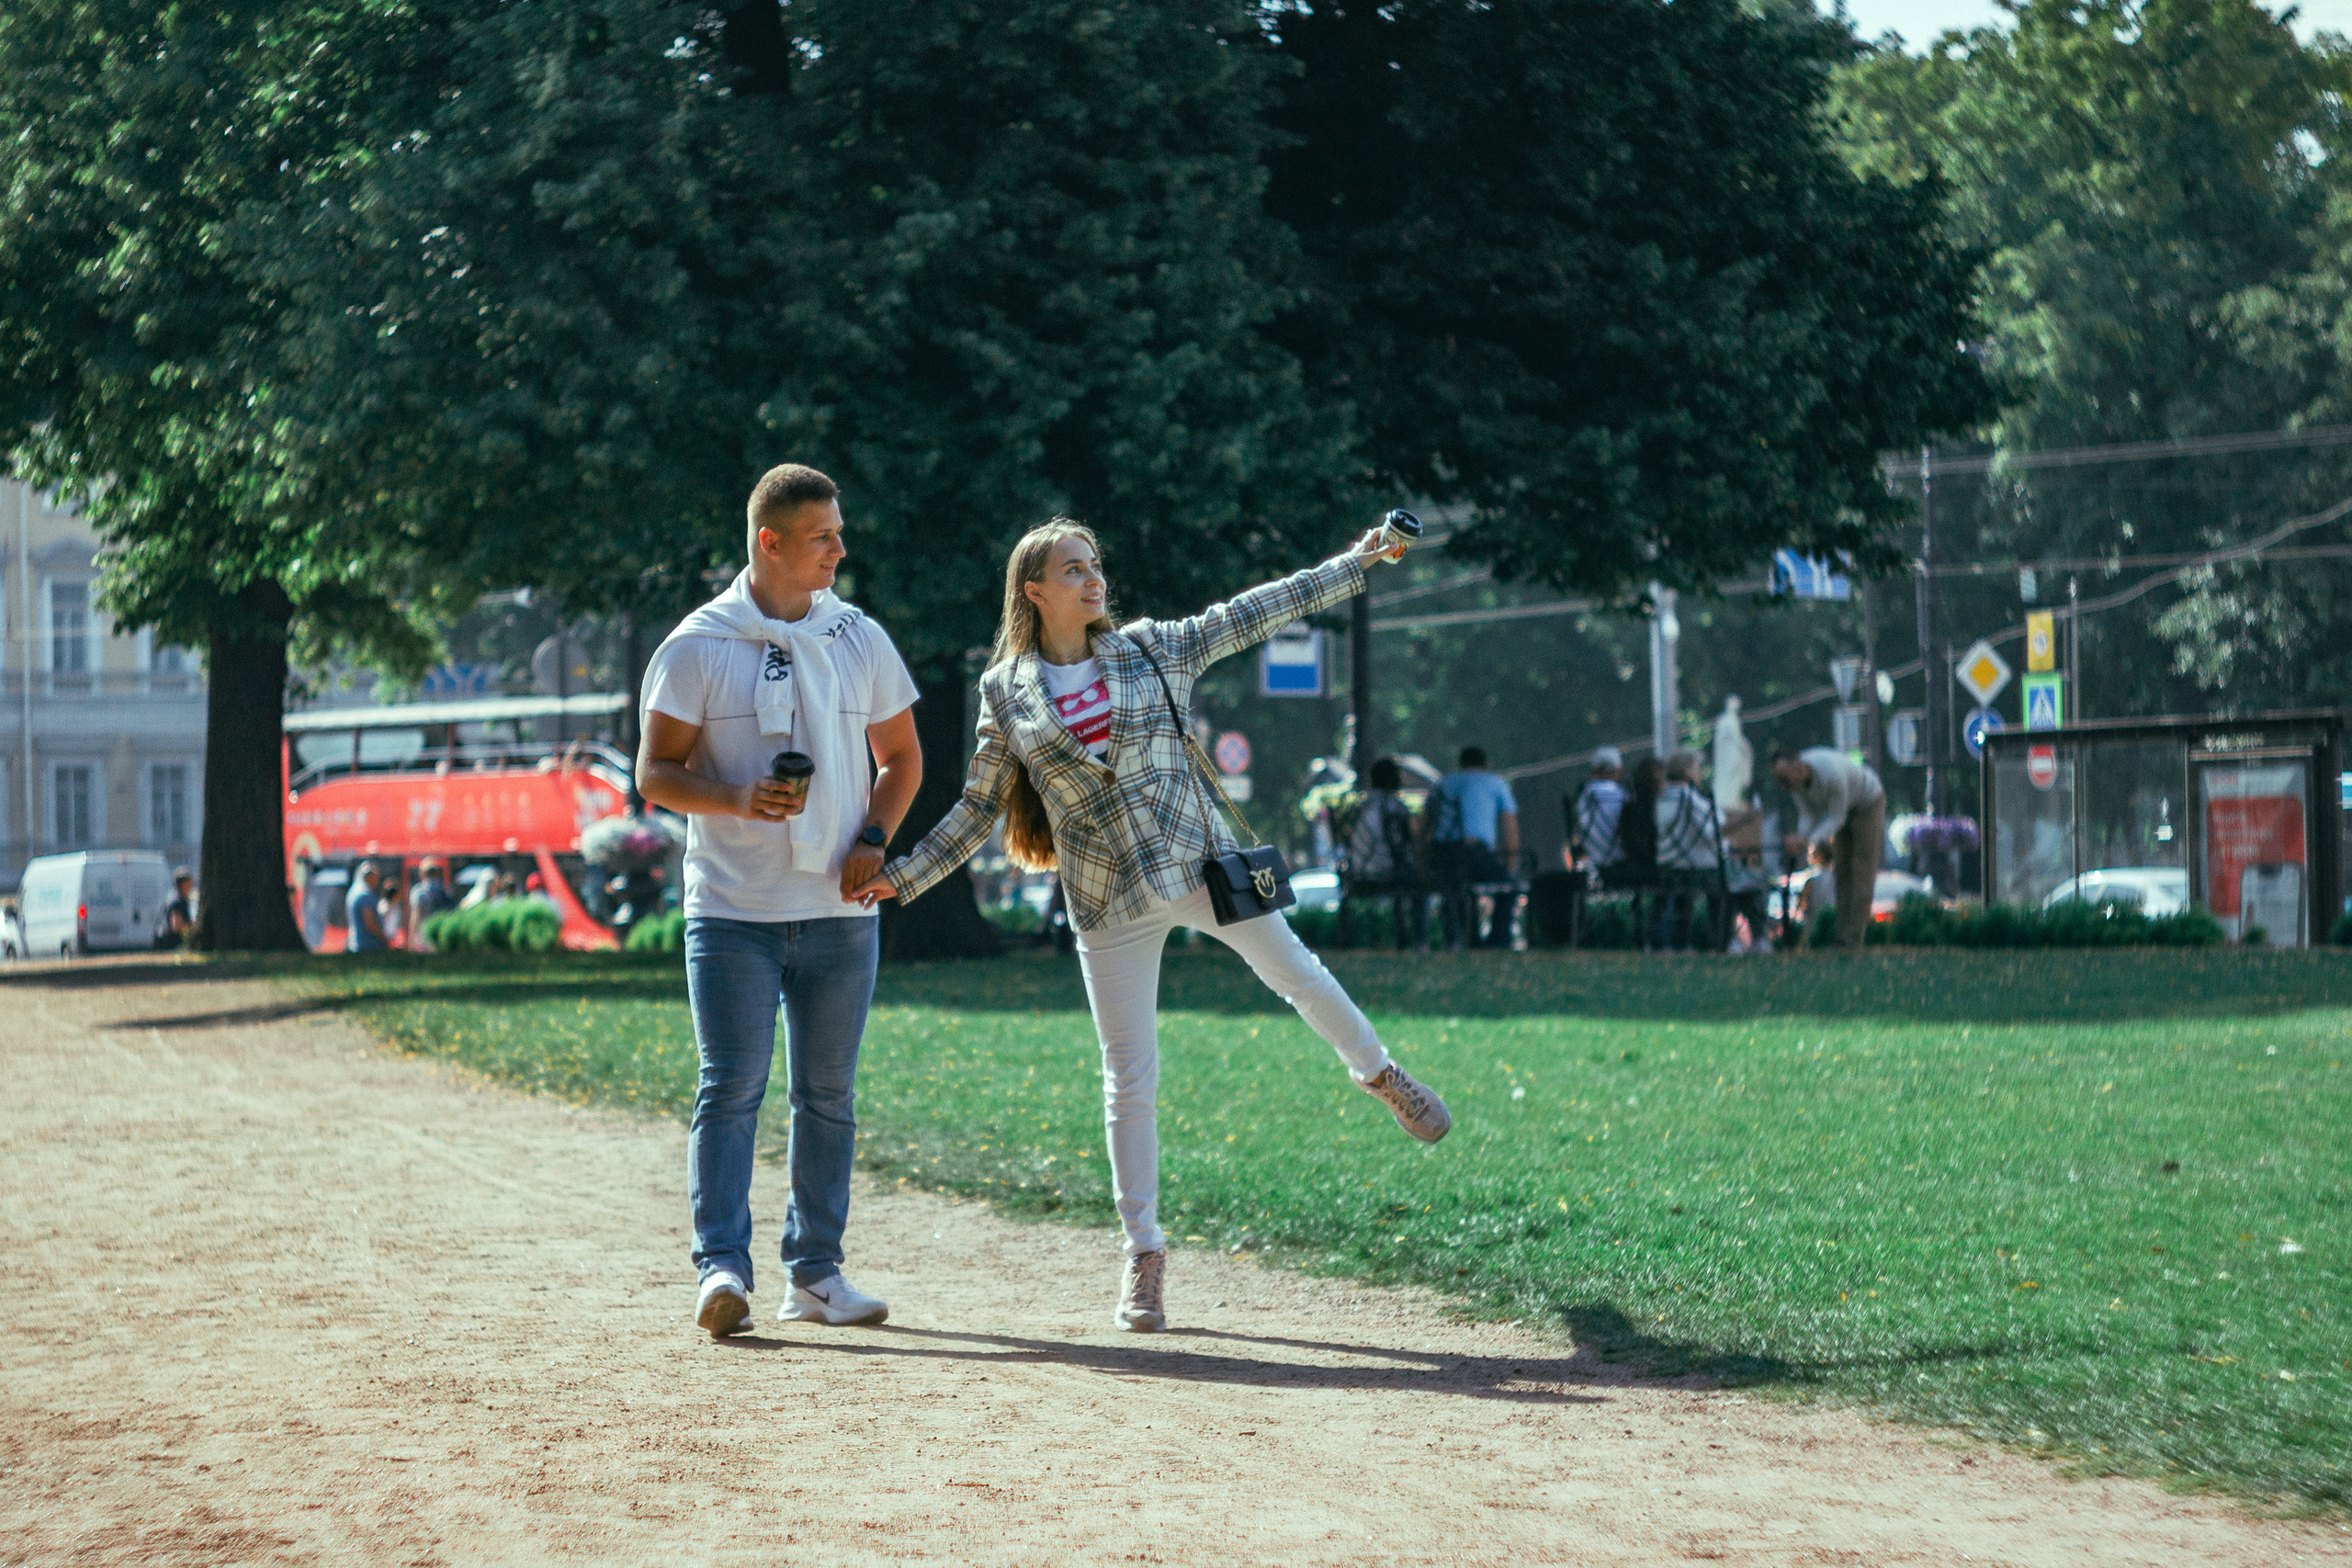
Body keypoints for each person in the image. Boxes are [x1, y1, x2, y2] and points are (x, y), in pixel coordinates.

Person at [847, 518, 1449, 1334]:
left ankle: (1381, 1074)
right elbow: (977, 808)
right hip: (1105, 897)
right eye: (1074, 569)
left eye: (1096, 565)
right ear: (1035, 591)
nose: (1094, 580)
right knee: (1129, 1076)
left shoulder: (1150, 648)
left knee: (1299, 973)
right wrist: (903, 877)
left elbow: (1256, 610)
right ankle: (1144, 1253)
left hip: (1199, 866)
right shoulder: (1005, 691)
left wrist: (1358, 561)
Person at [637, 462, 923, 1340]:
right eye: (823, 536)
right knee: (730, 1087)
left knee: (827, 1095)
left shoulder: (856, 637)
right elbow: (655, 772)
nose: (841, 547)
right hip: (731, 910)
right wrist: (735, 799)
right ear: (770, 543)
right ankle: (721, 1266)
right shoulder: (698, 645)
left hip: (840, 910)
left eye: (838, 532)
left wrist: (873, 840)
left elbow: (902, 758)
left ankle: (818, 1273)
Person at [1770, 744, 1887, 949]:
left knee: (1861, 872)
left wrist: (1808, 841)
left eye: (1784, 779)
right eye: (1778, 780)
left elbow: (1836, 817)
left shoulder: (1830, 774)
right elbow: (1808, 815)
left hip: (1867, 803)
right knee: (1842, 872)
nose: (1782, 785)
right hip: (1843, 810)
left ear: (1798, 768)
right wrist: (1800, 837)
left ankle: (1853, 940)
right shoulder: (1795, 785)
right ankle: (1840, 937)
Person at [1429, 746, 1521, 950]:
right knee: (1508, 887)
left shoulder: (1442, 785)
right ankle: (1497, 941)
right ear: (1485, 764)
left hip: (1442, 854)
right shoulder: (1495, 784)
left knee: (1453, 893)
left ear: (1461, 764)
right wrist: (1508, 863)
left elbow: (1426, 825)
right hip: (1475, 852)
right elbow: (1510, 827)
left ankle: (1457, 940)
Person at [1346, 755, 1427, 951]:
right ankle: (1420, 943)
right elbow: (1408, 844)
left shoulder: (1362, 806)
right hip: (1386, 872)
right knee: (1422, 887)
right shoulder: (1394, 808)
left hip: (1358, 871)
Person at [1654, 751, 1719, 952]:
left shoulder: (1661, 798)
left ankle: (1670, 941)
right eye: (1698, 769)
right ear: (1689, 771)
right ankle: (1720, 941)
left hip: (1666, 865)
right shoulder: (1691, 798)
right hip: (1695, 867)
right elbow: (1712, 832)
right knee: (1725, 882)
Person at [1571, 747, 1629, 883]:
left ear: (1593, 770)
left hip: (1591, 866)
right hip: (1621, 867)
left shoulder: (1584, 796)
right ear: (1618, 770)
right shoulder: (1624, 795)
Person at [408, 859, 455, 950]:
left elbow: (415, 916)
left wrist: (410, 942)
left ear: (422, 873)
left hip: (424, 936)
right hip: (442, 936)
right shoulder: (446, 890)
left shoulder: (418, 892)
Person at [345, 861, 390, 953]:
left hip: (356, 943)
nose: (377, 880)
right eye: (375, 876)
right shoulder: (364, 895)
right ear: (369, 876)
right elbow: (370, 923)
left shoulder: (354, 891)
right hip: (368, 945)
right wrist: (384, 938)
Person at [157, 866, 197, 949]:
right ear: (183, 883)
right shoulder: (177, 901)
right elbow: (176, 926)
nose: (191, 884)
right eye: (189, 882)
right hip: (169, 944)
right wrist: (193, 926)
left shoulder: (177, 897)